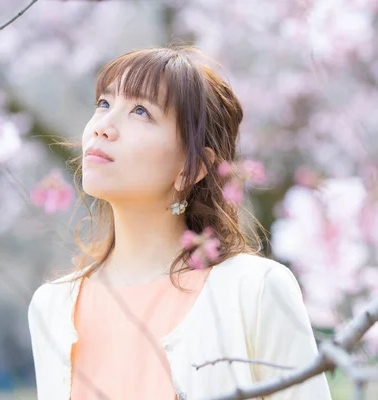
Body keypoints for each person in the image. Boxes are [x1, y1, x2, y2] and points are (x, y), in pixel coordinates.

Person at [27, 46, 332, 400]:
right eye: (104, 104)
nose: (103, 128)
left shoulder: (255, 289)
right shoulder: (52, 307)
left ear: (192, 168)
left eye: (140, 111)